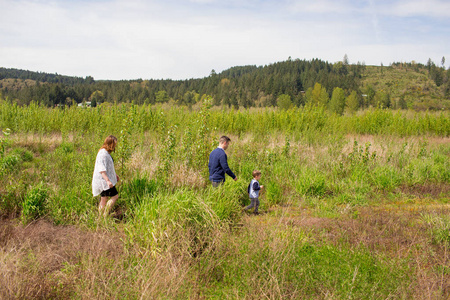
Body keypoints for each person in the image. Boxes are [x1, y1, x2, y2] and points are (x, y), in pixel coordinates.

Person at [92, 135, 120, 216]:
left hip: (104, 180)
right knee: (115, 197)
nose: (115, 146)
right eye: (114, 144)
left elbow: (108, 167)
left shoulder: (104, 152)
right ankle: (105, 215)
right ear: (110, 144)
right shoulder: (103, 154)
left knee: (104, 199)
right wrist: (108, 180)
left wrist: (115, 175)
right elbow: (101, 169)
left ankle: (101, 218)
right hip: (104, 181)